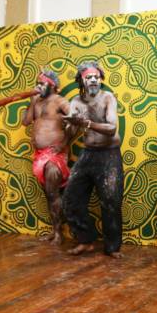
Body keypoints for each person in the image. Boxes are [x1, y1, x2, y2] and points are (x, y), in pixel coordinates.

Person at [62, 61, 124, 258]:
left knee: (111, 200)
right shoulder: (75, 101)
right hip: (88, 153)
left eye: (96, 77)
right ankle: (86, 240)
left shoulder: (108, 98)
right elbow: (69, 135)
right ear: (82, 80)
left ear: (101, 79)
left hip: (109, 154)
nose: (93, 80)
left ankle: (112, 248)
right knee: (71, 198)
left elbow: (112, 128)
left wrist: (86, 122)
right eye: (89, 77)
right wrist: (72, 123)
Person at [22, 69, 71, 245]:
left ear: (53, 86)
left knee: (52, 193)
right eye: (38, 83)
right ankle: (55, 230)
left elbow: (76, 120)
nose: (39, 86)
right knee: (50, 194)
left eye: (42, 83)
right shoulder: (36, 101)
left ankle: (59, 233)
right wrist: (31, 100)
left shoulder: (60, 101)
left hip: (55, 154)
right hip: (39, 155)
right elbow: (26, 121)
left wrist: (64, 142)